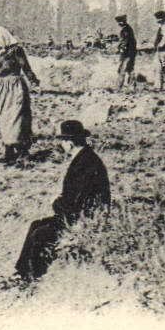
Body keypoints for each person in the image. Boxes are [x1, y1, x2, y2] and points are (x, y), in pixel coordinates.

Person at [14, 120, 111, 281]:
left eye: (63, 141)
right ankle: (22, 273)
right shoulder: (86, 158)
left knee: (40, 233)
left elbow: (74, 203)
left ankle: (31, 277)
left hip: (81, 219)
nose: (62, 145)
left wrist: (56, 203)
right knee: (36, 225)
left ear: (70, 143)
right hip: (79, 214)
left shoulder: (84, 164)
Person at [0, 27, 39, 163]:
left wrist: (33, 80)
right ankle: (9, 150)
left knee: (17, 116)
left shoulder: (16, 50)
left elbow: (25, 66)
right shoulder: (1, 53)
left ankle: (22, 151)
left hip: (15, 86)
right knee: (5, 117)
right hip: (4, 88)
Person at [115, 14, 137, 89]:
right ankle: (131, 85)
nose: (118, 24)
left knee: (123, 68)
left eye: (119, 22)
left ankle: (120, 85)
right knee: (129, 68)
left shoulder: (126, 30)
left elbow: (126, 41)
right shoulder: (127, 29)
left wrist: (122, 48)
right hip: (129, 52)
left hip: (127, 53)